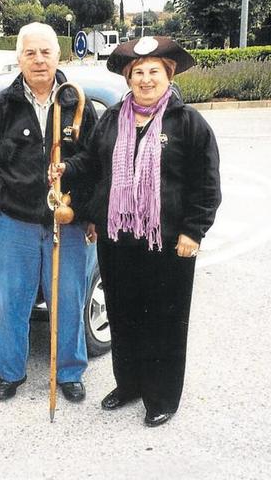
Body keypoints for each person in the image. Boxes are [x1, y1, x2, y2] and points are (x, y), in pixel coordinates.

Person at [51, 36, 222, 427]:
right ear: (128, 78)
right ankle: (128, 384)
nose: (146, 80)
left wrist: (193, 232)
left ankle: (162, 396)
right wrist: (67, 171)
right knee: (124, 315)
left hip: (168, 240)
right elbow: (93, 167)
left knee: (165, 320)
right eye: (138, 73)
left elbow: (206, 184)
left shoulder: (188, 123)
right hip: (117, 237)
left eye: (154, 72)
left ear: (169, 75)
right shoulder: (112, 119)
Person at [0, 23, 98, 402]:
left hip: (66, 223)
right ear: (18, 58)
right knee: (13, 302)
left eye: (46, 52)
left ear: (59, 55)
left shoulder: (78, 103)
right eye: (30, 53)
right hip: (15, 222)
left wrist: (91, 216)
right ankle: (11, 374)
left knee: (68, 300)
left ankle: (69, 373)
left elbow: (98, 165)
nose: (39, 60)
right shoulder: (0, 107)